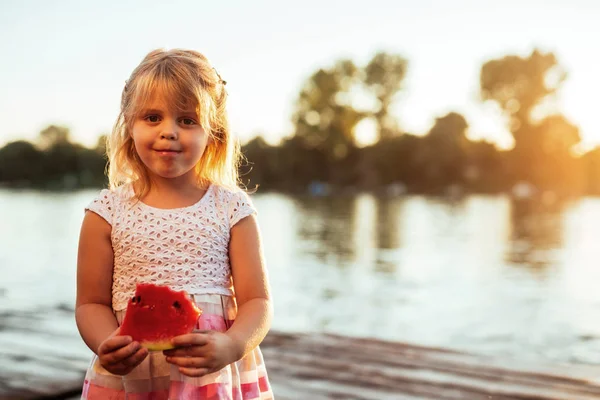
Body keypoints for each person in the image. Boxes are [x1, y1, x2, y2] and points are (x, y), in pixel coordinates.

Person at [75, 48, 274, 399]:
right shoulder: (105, 213)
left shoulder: (232, 209)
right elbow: (91, 304)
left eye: (187, 120)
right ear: (129, 125)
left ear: (212, 132)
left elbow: (257, 301)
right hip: (131, 375)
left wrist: (232, 345)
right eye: (152, 117)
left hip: (210, 372)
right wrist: (107, 343)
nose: (169, 132)